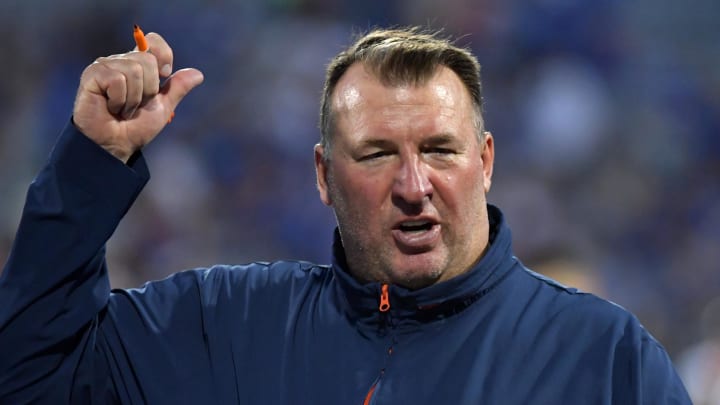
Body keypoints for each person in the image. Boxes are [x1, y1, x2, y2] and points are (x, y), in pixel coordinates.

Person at [0, 27, 690, 404]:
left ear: (485, 162)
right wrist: (90, 166)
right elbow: (32, 378)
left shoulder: (605, 361)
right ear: (324, 176)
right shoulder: (223, 328)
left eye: (440, 151)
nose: (414, 184)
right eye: (378, 153)